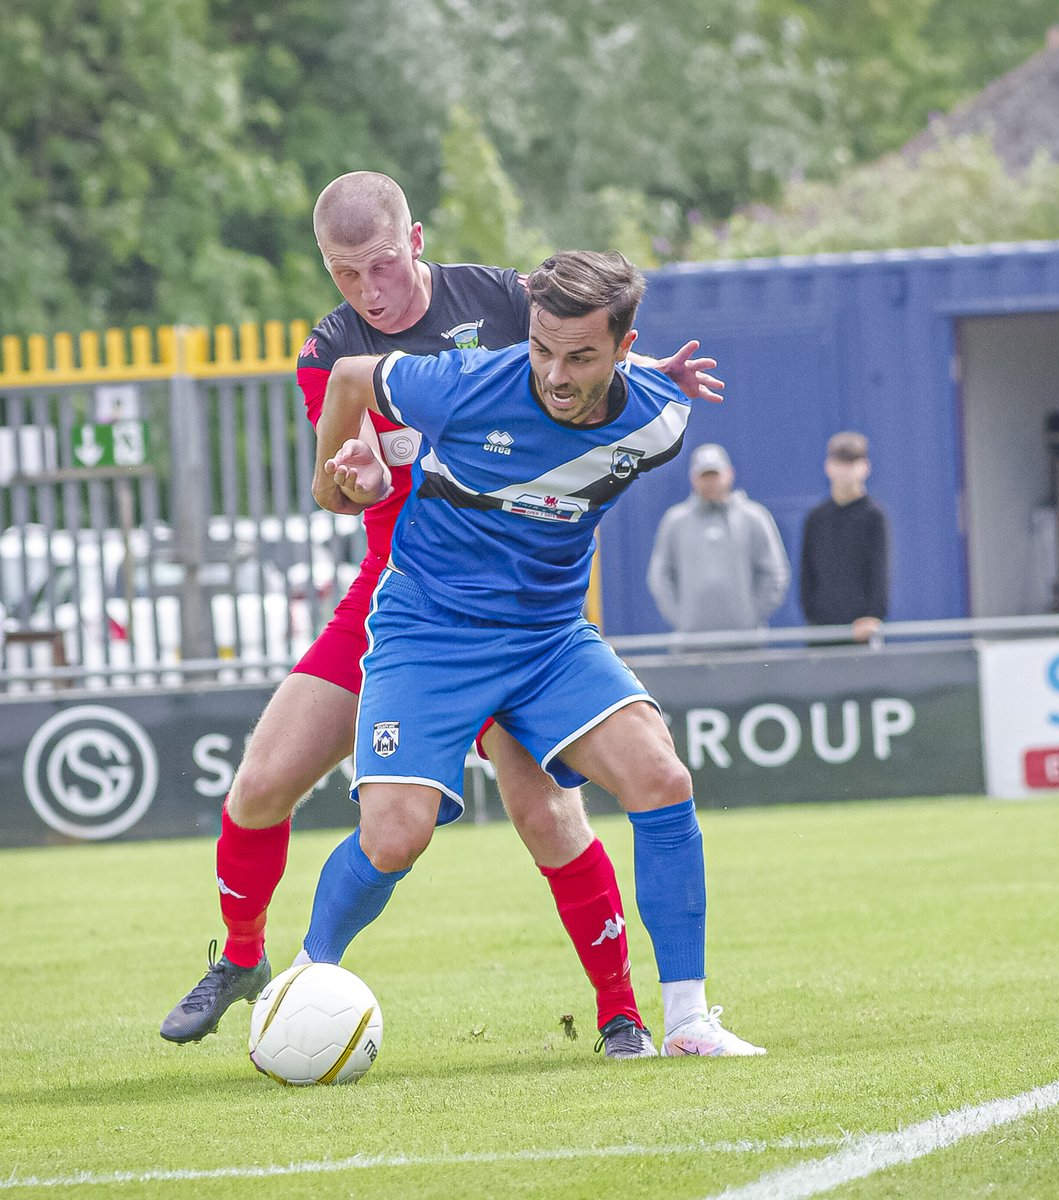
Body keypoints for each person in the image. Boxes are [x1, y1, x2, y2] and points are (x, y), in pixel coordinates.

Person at [161, 172, 722, 1060]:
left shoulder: (502, 297)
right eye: (344, 275)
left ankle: (625, 1014)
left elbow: (574, 358)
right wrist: (351, 487)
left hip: (525, 603)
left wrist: (653, 371)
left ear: (415, 240)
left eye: (380, 266)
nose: (366, 292)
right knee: (265, 781)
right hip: (404, 591)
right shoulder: (331, 350)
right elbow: (351, 480)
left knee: (548, 815)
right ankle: (245, 963)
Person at [302, 249, 764, 1057]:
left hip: (548, 638)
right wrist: (332, 482)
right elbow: (345, 376)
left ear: (624, 349)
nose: (552, 372)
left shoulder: (661, 418)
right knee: (394, 838)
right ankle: (303, 981)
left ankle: (687, 1020)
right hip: (431, 629)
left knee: (661, 776)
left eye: (579, 355)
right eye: (542, 347)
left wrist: (653, 370)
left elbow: (642, 388)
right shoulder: (464, 382)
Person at [647, 442, 790, 633]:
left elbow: (775, 573)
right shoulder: (675, 521)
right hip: (691, 645)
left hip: (746, 644)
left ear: (729, 473)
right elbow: (659, 576)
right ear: (693, 478)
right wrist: (682, 619)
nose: (710, 482)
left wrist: (750, 617)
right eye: (704, 476)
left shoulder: (754, 517)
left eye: (715, 475)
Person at [799, 430, 890, 643]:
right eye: (840, 462)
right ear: (828, 467)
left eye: (852, 463)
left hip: (861, 631)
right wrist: (812, 615)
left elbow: (880, 571)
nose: (845, 470)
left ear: (865, 467)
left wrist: (872, 616)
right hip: (821, 630)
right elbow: (807, 572)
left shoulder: (874, 517)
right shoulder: (816, 518)